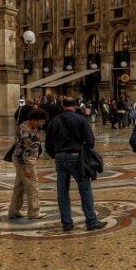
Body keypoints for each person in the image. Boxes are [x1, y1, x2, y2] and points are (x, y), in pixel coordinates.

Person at [44, 97, 106, 232]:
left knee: (62, 192)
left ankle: (67, 223)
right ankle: (91, 221)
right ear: (75, 106)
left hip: (60, 158)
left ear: (62, 105)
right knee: (85, 190)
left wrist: (57, 155)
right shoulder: (81, 119)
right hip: (77, 158)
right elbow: (90, 141)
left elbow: (48, 145)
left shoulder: (53, 122)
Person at [8, 106, 48, 220]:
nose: (42, 124)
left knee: (19, 187)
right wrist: (25, 166)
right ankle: (34, 212)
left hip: (28, 159)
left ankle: (14, 211)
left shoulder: (32, 127)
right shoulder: (25, 129)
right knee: (32, 186)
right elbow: (20, 148)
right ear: (34, 119)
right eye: (41, 121)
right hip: (25, 161)